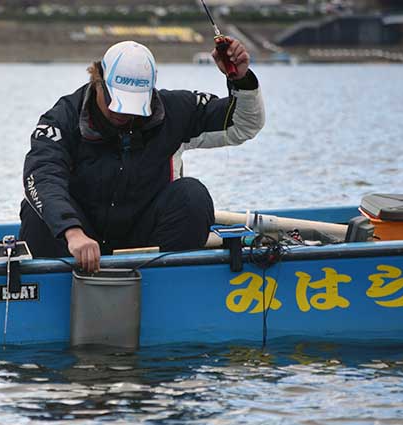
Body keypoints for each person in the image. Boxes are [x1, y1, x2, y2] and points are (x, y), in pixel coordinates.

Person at [20, 39, 264, 272]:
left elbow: (242, 126)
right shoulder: (63, 118)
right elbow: (41, 176)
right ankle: (46, 295)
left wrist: (240, 79)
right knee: (37, 211)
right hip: (78, 244)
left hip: (147, 243)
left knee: (192, 195)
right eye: (116, 102)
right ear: (98, 80)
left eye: (133, 106)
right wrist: (72, 232)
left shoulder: (175, 110)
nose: (123, 114)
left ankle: (171, 285)